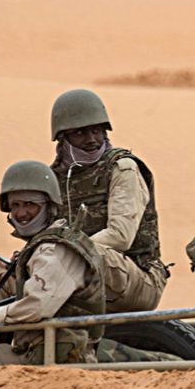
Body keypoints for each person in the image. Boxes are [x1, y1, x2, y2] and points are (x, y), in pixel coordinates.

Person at [0, 160, 107, 368]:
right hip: (36, 349)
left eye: (30, 204)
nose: (21, 214)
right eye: (15, 205)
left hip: (57, 355)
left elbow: (38, 306)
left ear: (49, 206)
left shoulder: (58, 249)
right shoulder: (40, 247)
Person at [49, 88, 168, 312]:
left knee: (94, 255)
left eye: (97, 131)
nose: (91, 139)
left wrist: (59, 255)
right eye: (80, 133)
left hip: (136, 277)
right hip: (72, 273)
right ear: (63, 138)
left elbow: (120, 236)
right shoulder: (52, 178)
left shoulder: (122, 168)